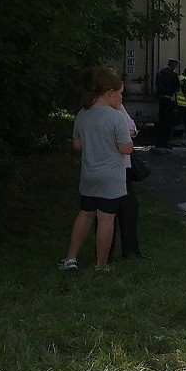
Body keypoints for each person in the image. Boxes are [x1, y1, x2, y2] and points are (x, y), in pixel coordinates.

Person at [59, 67, 133, 271]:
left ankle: (71, 259)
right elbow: (125, 148)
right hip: (111, 177)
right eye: (120, 93)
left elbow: (77, 145)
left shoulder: (83, 114)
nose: (121, 97)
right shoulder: (116, 117)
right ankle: (101, 265)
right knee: (106, 218)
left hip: (89, 174)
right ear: (110, 93)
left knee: (85, 213)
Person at [115, 103, 145, 259]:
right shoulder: (115, 111)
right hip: (119, 166)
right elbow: (131, 130)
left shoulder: (89, 111)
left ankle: (127, 251)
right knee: (125, 209)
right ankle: (129, 251)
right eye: (119, 93)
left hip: (113, 167)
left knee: (124, 208)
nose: (121, 98)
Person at [154, 58, 180, 153]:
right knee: (168, 122)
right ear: (174, 66)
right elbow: (177, 88)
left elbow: (158, 84)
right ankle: (165, 142)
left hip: (162, 99)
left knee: (161, 121)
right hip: (170, 99)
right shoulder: (174, 75)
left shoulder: (160, 73)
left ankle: (158, 142)